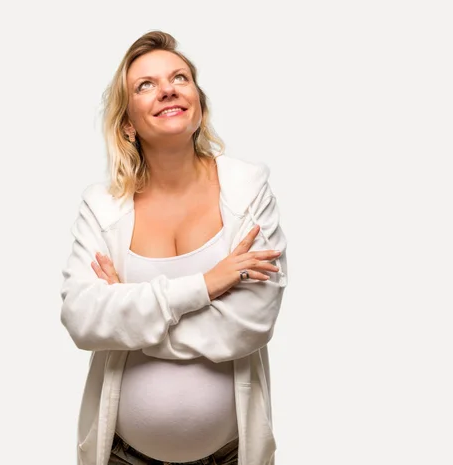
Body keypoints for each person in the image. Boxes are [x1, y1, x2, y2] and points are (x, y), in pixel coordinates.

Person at [60, 30, 288, 465]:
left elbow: (252, 322)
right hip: (124, 456)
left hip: (229, 455)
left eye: (179, 77)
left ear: (197, 105)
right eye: (145, 85)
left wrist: (128, 321)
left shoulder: (246, 188)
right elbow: (81, 317)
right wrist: (206, 285)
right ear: (127, 123)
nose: (167, 88)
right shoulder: (102, 206)